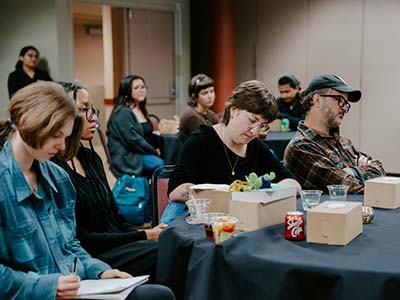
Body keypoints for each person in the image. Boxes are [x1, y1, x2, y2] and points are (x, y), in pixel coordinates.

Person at [0, 81, 175, 300]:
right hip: (38, 293)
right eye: (57, 136)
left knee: (159, 295)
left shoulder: (57, 177)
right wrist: (47, 287)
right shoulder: (4, 183)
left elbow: (70, 243)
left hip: (77, 285)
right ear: (30, 124)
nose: (63, 146)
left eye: (66, 137)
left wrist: (99, 270)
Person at [54, 82, 167, 282]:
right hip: (93, 258)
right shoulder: (53, 169)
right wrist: (143, 236)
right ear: (62, 115)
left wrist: (142, 235)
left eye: (92, 109)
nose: (94, 117)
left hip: (117, 245)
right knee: (165, 250)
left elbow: (115, 216)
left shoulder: (91, 158)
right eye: (83, 110)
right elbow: (82, 239)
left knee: (171, 243)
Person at [160, 80, 301, 224]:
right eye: (252, 120)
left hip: (238, 224)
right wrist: (227, 195)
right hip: (201, 223)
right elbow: (176, 191)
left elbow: (293, 183)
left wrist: (270, 192)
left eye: (262, 126)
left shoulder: (256, 147)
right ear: (233, 110)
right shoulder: (200, 141)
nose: (254, 132)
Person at [284, 74, 385, 194]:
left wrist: (352, 171)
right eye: (340, 100)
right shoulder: (301, 146)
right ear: (317, 100)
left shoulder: (344, 142)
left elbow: (380, 171)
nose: (344, 108)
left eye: (346, 104)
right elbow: (349, 188)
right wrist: (361, 169)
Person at [107, 75, 164, 178]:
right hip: (128, 157)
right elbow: (133, 139)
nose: (141, 90)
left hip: (139, 152)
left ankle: (155, 191)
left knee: (170, 157)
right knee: (160, 165)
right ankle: (158, 193)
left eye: (142, 87)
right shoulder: (123, 113)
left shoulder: (140, 109)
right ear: (127, 91)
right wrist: (153, 151)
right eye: (136, 88)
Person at [178, 74, 218, 143]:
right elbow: (203, 143)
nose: (210, 96)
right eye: (205, 93)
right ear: (194, 96)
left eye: (212, 91)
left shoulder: (211, 115)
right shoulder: (191, 116)